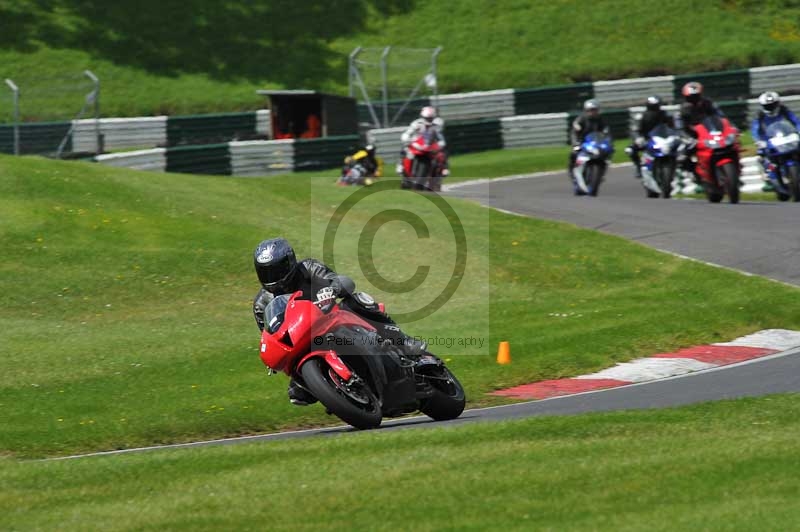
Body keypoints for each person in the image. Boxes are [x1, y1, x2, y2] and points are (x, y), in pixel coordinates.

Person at [252, 238, 427, 405]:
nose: (272, 277)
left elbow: (335, 280)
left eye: (277, 270)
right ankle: (335, 392)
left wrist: (332, 290)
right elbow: (270, 333)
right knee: (297, 390)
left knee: (356, 300)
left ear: (290, 262)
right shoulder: (261, 303)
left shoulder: (308, 268)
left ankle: (402, 341)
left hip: (329, 318)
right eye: (265, 272)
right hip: (301, 337)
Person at [677, 82, 724, 191]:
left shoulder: (708, 104)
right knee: (682, 156)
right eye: (691, 97)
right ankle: (694, 173)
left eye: (696, 96)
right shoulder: (683, 109)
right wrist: (685, 135)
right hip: (693, 135)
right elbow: (679, 124)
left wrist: (728, 127)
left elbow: (720, 116)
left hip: (711, 132)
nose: (694, 100)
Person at [751, 91, 800, 191]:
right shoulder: (760, 116)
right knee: (761, 157)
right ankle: (767, 178)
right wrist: (758, 140)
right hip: (769, 140)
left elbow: (796, 122)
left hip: (787, 137)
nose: (771, 107)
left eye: (773, 105)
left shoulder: (785, 111)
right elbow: (755, 129)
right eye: (768, 106)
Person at [625, 95, 675, 178]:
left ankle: (678, 168)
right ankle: (638, 167)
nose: (654, 109)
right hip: (647, 139)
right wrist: (638, 138)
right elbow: (636, 129)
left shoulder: (664, 115)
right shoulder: (642, 116)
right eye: (652, 106)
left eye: (655, 106)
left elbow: (672, 127)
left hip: (662, 139)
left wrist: (673, 135)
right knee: (631, 149)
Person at [397, 106, 449, 178]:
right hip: (417, 143)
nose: (428, 120)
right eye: (426, 118)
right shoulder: (416, 123)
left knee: (442, 152)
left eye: (430, 118)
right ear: (422, 117)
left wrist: (441, 143)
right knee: (405, 148)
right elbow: (408, 132)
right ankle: (400, 165)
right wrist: (406, 138)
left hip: (430, 145)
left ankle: (444, 168)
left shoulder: (437, 124)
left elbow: (440, 136)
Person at [568, 99, 609, 181]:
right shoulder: (581, 119)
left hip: (595, 143)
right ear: (586, 110)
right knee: (574, 153)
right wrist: (576, 143)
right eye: (591, 110)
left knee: (605, 155)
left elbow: (606, 132)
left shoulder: (601, 120)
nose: (593, 112)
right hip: (582, 142)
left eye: (595, 110)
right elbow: (574, 132)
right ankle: (572, 171)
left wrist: (607, 142)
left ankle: (601, 173)